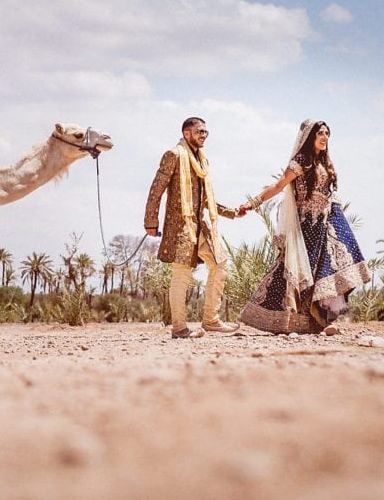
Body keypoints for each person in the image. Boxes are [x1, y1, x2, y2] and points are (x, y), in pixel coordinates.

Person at [236, 120, 371, 334]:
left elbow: (328, 194)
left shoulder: (326, 163)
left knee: (326, 270)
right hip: (305, 226)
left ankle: (315, 322)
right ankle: (275, 317)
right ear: (310, 137)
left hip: (324, 226)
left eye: (327, 133)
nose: (325, 137)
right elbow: (278, 186)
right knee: (293, 270)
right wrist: (252, 203)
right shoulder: (301, 162)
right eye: (320, 133)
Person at [145, 117, 242, 338]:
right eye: (200, 131)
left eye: (206, 132)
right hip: (179, 226)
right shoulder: (174, 155)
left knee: (220, 264)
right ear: (187, 133)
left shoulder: (202, 161)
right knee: (181, 275)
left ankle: (211, 320)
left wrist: (231, 212)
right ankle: (179, 328)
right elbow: (156, 189)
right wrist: (151, 221)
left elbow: (205, 199)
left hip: (201, 225)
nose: (204, 135)